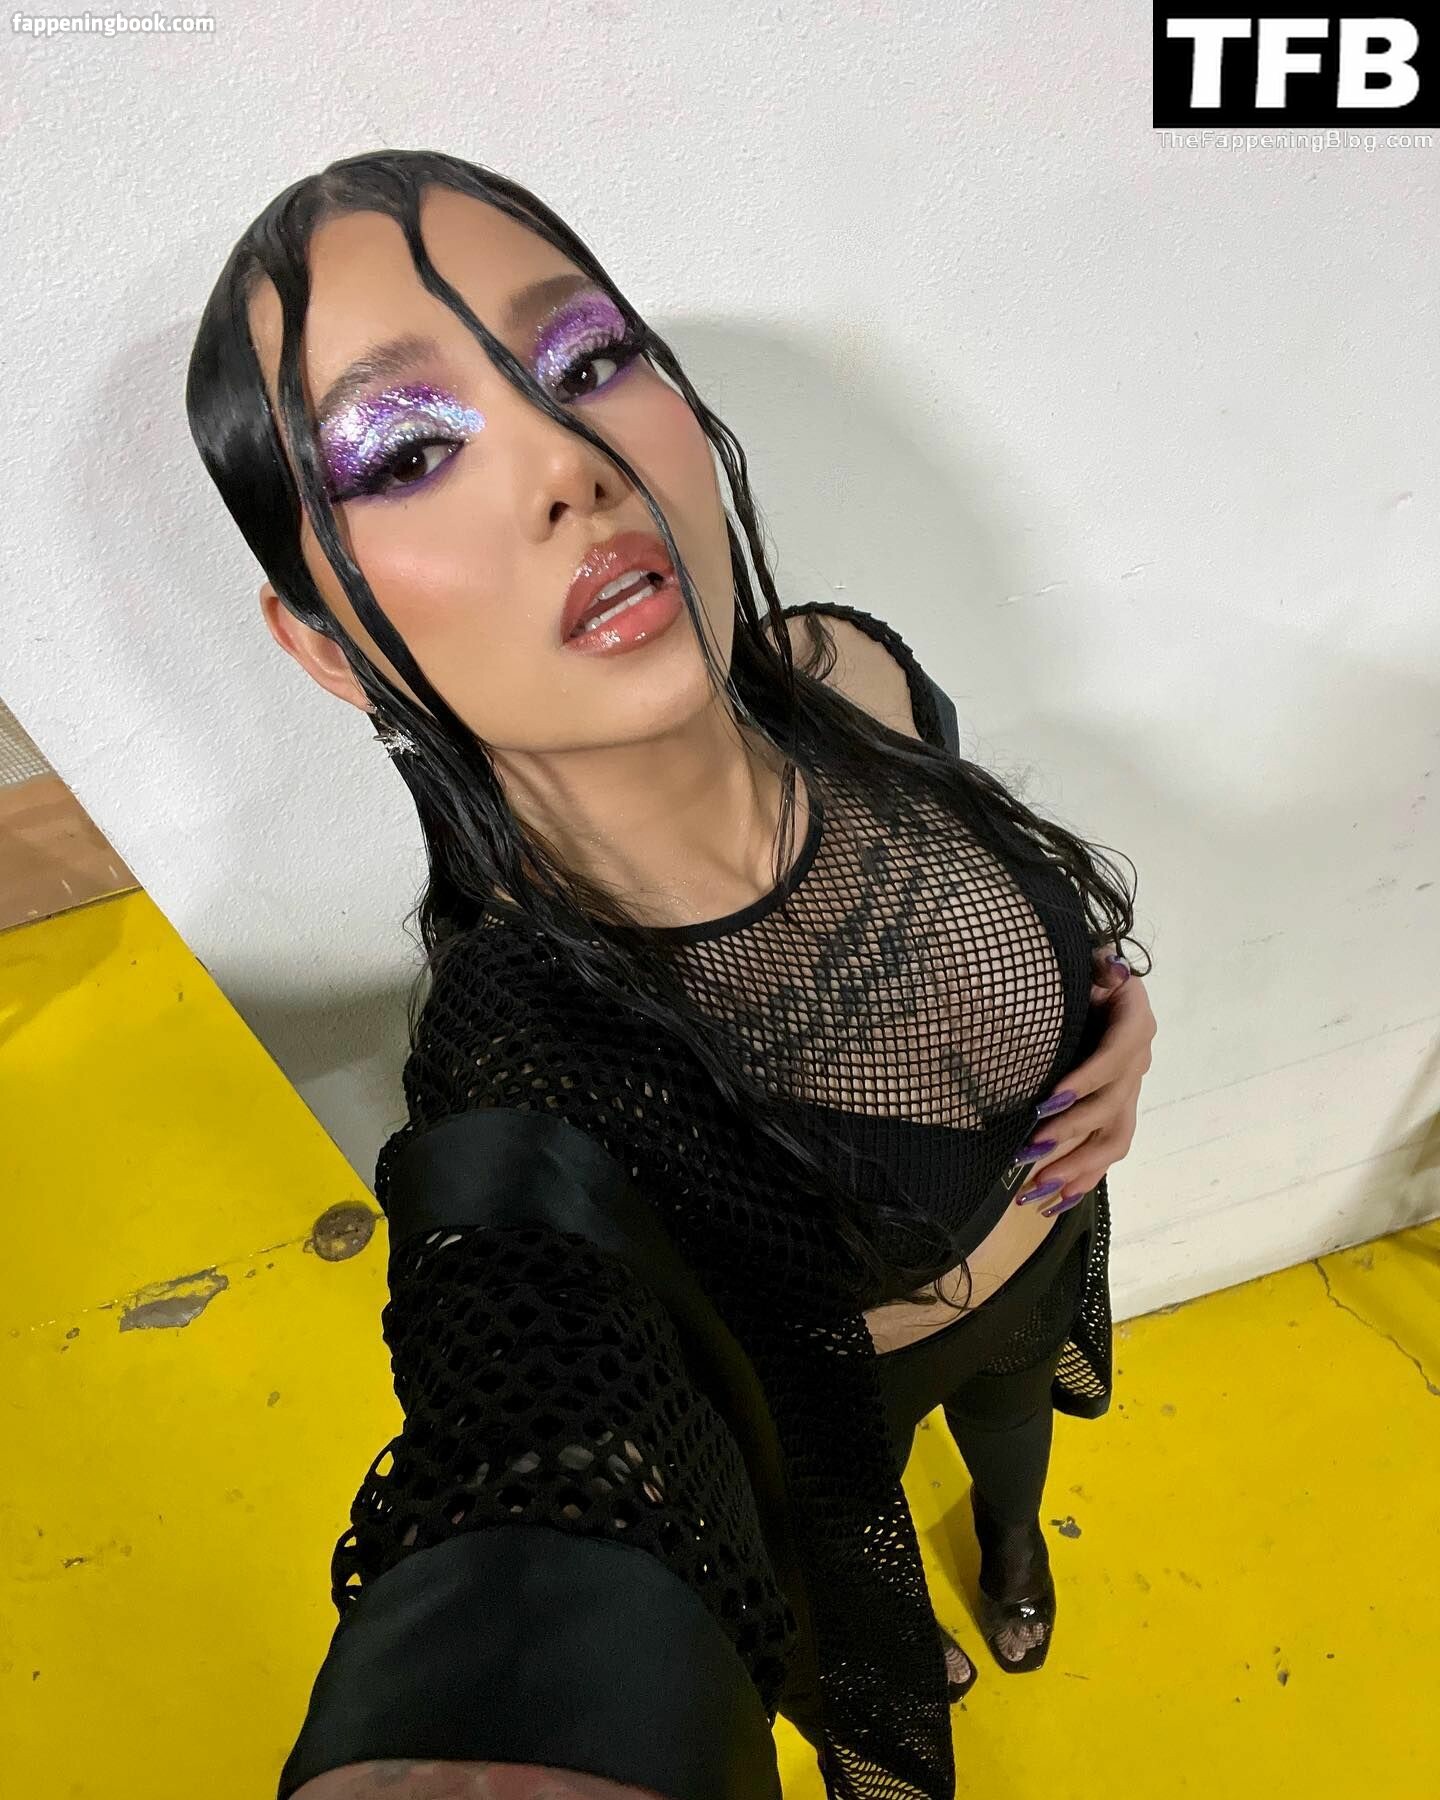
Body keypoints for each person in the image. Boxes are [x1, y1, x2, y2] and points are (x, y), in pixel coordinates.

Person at [184, 148, 1157, 1800]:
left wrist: (1110, 1006)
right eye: (407, 450)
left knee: (1020, 1446)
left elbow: (975, 898)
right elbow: (523, 1398)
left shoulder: (850, 673)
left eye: (583, 362)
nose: (569, 463)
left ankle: (1011, 1547)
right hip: (838, 1419)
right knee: (856, 1581)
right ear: (327, 644)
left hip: (1053, 1253)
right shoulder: (525, 1059)